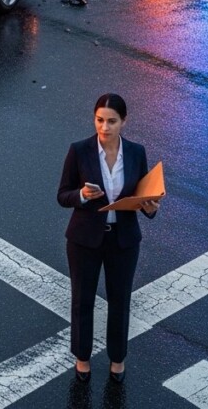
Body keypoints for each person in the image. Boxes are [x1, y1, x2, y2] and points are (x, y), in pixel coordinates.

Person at [57, 93, 161, 384]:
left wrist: (150, 207)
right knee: (82, 300)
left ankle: (117, 359)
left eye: (111, 121)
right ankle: (82, 357)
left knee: (120, 301)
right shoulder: (79, 151)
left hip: (123, 240)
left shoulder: (137, 153)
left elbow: (142, 197)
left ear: (124, 121)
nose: (104, 127)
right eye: (99, 120)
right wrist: (81, 195)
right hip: (84, 240)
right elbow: (62, 195)